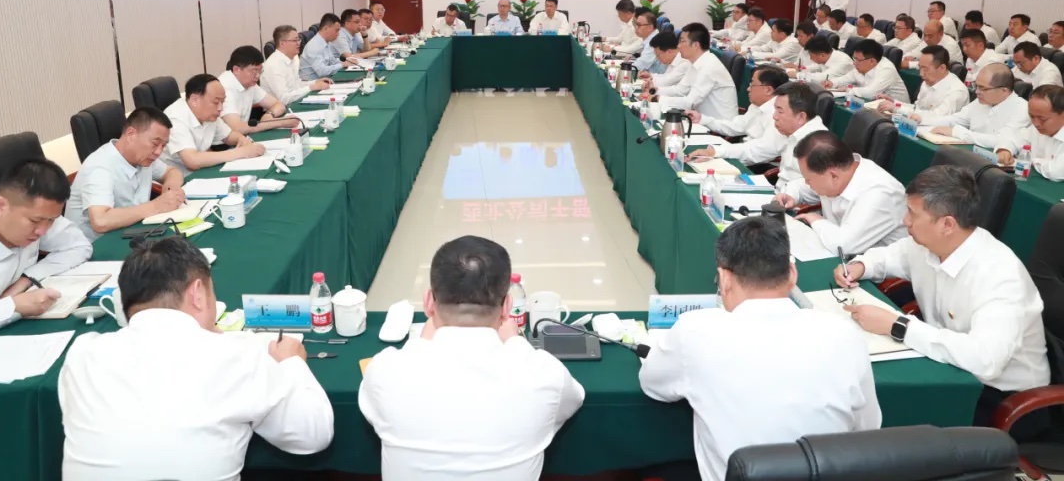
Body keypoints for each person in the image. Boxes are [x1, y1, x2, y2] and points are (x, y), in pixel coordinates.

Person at [59, 236, 333, 480]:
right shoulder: (237, 354)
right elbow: (313, 435)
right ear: (198, 293)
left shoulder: (82, 353)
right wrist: (291, 363)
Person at [640, 217, 880, 481]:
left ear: (724, 278)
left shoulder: (694, 330)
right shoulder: (845, 334)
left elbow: (652, 385)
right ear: (792, 274)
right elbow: (867, 427)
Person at [837, 165, 1048, 426]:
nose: (905, 221)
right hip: (948, 368)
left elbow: (986, 361)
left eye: (912, 213)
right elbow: (890, 256)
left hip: (1001, 398)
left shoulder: (1000, 275)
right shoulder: (929, 243)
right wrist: (861, 265)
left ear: (947, 224)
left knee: (887, 415)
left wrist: (898, 325)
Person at [359, 235, 584, 480]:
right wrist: (516, 342)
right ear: (507, 307)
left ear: (429, 302)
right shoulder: (545, 374)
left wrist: (422, 342)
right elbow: (572, 400)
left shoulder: (385, 371)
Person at [0, 159, 93, 335]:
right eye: (35, 221)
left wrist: (26, 279)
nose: (42, 231)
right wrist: (11, 306)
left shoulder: (37, 212)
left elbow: (79, 246)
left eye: (51, 221)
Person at [65, 107, 187, 241]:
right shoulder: (100, 167)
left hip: (132, 233)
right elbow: (100, 221)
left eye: (163, 146)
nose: (158, 152)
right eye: (155, 143)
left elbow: (172, 171)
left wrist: (171, 188)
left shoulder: (144, 157)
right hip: (94, 246)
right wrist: (156, 206)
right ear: (131, 134)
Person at [778, 131, 907, 255]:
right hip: (834, 253)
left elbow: (844, 246)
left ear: (833, 176)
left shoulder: (878, 193)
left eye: (809, 180)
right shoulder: (837, 173)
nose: (806, 183)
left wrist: (815, 220)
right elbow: (802, 186)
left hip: (870, 266)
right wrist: (789, 195)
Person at [161, 74, 265, 176]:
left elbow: (228, 136)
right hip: (179, 178)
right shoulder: (175, 118)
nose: (220, 108)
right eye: (216, 102)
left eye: (222, 102)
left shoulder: (208, 114)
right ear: (194, 100)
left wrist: (241, 139)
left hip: (201, 171)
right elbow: (192, 161)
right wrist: (241, 153)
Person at [920, 64, 1030, 155]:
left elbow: (1001, 140)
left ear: (1003, 90)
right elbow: (955, 119)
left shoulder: (1022, 109)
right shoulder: (981, 102)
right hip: (971, 156)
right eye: (976, 86)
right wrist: (922, 119)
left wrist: (956, 131)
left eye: (983, 88)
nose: (977, 92)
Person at [687, 67, 788, 165]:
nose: (748, 89)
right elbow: (736, 126)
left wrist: (718, 151)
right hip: (743, 153)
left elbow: (762, 151)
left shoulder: (779, 115)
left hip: (759, 164)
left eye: (752, 84)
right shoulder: (757, 105)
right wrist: (702, 119)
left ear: (768, 90)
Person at [654, 23, 738, 121]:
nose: (678, 46)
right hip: (703, 121)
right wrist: (654, 91)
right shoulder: (695, 62)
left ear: (696, 45)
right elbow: (680, 90)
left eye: (682, 41)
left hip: (719, 126)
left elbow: (690, 102)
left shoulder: (709, 66)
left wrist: (658, 99)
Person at [218, 46, 301, 135]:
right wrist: (280, 122)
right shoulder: (224, 88)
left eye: (260, 72)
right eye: (254, 71)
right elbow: (237, 128)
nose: (257, 76)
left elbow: (278, 104)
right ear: (236, 70)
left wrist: (270, 114)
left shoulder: (249, 83)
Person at [772, 82, 829, 204]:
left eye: (780, 111)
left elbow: (818, 188)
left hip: (794, 205)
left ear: (801, 117)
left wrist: (788, 194)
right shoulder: (792, 131)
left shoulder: (818, 144)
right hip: (778, 193)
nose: (774, 116)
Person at [879, 45, 968, 118]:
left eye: (925, 69)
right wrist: (895, 103)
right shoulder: (928, 82)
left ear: (942, 68)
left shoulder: (957, 91)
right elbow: (918, 109)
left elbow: (937, 117)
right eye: (920, 68)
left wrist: (898, 109)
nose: (921, 74)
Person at [997, 85, 1064, 181]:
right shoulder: (1036, 128)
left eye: (1042, 119)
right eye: (1031, 116)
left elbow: (1055, 172)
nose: (1036, 123)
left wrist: (1028, 160)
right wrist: (1005, 149)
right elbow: (1013, 138)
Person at [261, 25, 332, 105]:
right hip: (280, 109)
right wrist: (311, 87)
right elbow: (283, 98)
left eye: (298, 39)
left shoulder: (294, 59)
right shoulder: (273, 65)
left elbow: (297, 85)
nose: (298, 43)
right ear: (282, 43)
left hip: (294, 102)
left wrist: (315, 82)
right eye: (294, 40)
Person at [825, 39, 910, 102]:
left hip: (898, 112)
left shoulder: (887, 69)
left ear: (872, 61)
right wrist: (832, 83)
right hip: (876, 105)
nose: (854, 62)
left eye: (858, 60)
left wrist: (848, 89)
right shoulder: (861, 66)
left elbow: (871, 93)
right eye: (854, 58)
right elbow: (846, 79)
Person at [300, 13, 346, 81]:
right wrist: (342, 65)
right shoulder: (314, 46)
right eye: (336, 30)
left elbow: (332, 61)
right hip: (312, 84)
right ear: (326, 28)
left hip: (325, 81)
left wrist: (347, 61)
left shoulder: (326, 42)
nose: (338, 34)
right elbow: (322, 71)